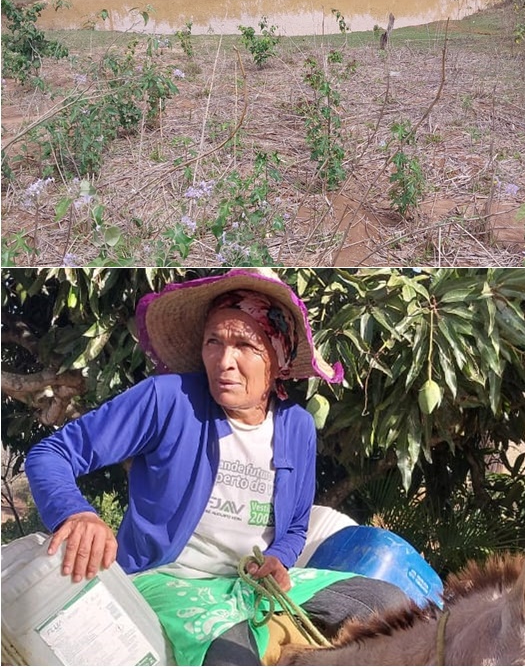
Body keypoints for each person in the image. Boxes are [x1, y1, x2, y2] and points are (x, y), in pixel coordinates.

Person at [26, 269, 411, 666]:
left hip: (249, 586)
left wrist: (278, 558)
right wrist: (77, 512)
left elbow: (295, 527)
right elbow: (51, 455)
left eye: (245, 345)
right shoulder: (168, 399)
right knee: (233, 654)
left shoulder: (297, 427)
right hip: (168, 581)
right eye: (214, 342)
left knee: (390, 606)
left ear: (277, 358)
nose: (224, 362)